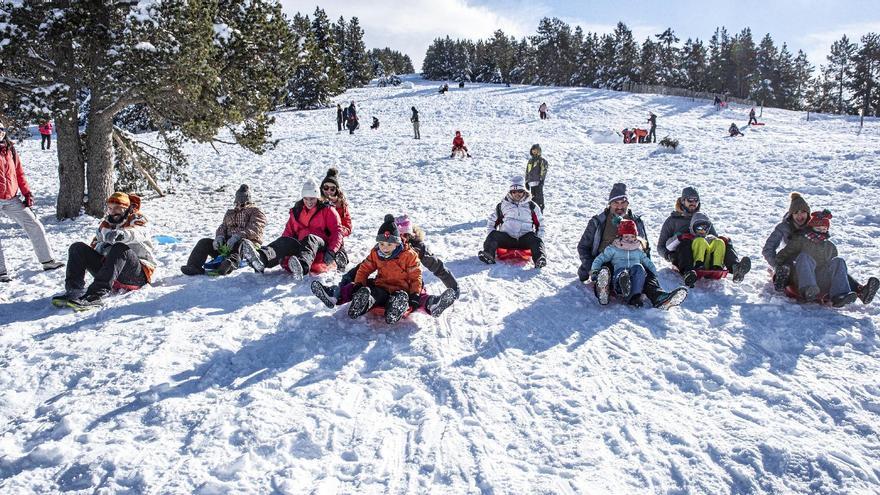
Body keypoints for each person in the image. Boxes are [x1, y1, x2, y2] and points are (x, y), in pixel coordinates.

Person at [312, 214, 458, 317]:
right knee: (362, 286)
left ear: (409, 236)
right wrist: (349, 282)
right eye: (399, 236)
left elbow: (435, 268)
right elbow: (363, 268)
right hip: (384, 284)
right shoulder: (381, 250)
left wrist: (453, 286)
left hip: (408, 287)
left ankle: (432, 304)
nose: (402, 239)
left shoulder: (415, 250)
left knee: (419, 297)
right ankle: (336, 295)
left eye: (405, 236)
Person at [577, 183, 687, 309]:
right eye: (615, 202)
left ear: (627, 203)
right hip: (607, 260)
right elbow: (583, 247)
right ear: (609, 204)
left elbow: (645, 248)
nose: (619, 206)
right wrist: (591, 267)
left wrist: (649, 268)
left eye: (623, 202)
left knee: (645, 272)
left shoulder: (636, 222)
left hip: (633, 259)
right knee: (605, 271)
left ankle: (659, 298)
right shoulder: (597, 222)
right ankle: (603, 291)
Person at [764, 192, 878, 304]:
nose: (800, 216)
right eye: (796, 213)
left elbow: (833, 265)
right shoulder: (787, 230)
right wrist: (777, 268)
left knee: (838, 262)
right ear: (791, 215)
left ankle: (845, 294)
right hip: (794, 266)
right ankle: (800, 286)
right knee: (803, 258)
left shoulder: (825, 240)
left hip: (818, 272)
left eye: (803, 212)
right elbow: (774, 252)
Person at [52, 192, 156, 309]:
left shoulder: (137, 218)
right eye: (110, 208)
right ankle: (74, 291)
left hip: (137, 274)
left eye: (118, 208)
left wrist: (123, 234)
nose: (113, 212)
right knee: (78, 248)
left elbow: (140, 232)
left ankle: (94, 296)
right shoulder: (106, 224)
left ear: (127, 208)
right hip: (111, 272)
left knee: (119, 248)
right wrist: (102, 248)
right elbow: (95, 243)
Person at [240, 178, 346, 280]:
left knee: (311, 238)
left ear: (318, 198)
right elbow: (288, 232)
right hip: (301, 246)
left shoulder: (327, 210)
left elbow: (337, 232)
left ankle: (301, 266)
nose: (309, 202)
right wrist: (281, 250)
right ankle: (262, 259)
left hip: (322, 247)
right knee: (285, 240)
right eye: (306, 199)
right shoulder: (297, 212)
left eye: (312, 199)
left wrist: (332, 251)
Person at [0, 127, 63, 282]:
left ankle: (47, 261)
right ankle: (1, 272)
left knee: (33, 224)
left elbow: (19, 173)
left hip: (11, 198)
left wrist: (27, 192)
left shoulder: (10, 149)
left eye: (1, 129)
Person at [656, 186, 751, 288]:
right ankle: (688, 273)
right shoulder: (672, 221)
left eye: (696, 200)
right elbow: (661, 246)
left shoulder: (702, 218)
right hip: (682, 258)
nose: (693, 203)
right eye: (690, 200)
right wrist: (669, 256)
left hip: (703, 253)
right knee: (685, 242)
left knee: (723, 241)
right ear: (683, 201)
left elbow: (714, 238)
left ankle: (735, 268)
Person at [775, 210, 869, 307]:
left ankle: (840, 295)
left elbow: (833, 269)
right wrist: (782, 269)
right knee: (804, 257)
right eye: (818, 228)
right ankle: (809, 289)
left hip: (820, 279)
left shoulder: (830, 246)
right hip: (801, 277)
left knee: (838, 261)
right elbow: (781, 257)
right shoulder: (800, 241)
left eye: (824, 229)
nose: (821, 231)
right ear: (811, 227)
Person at [347, 214, 423, 324]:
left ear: (397, 244)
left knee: (400, 297)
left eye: (389, 244)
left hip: (401, 289)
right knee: (375, 294)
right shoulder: (376, 253)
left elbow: (416, 277)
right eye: (381, 244)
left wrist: (415, 294)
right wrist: (358, 284)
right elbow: (364, 269)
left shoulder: (409, 255)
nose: (385, 247)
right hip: (382, 286)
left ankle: (395, 309)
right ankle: (363, 303)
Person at [180, 184, 267, 276]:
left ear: (248, 201)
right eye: (237, 202)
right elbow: (223, 226)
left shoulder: (256, 212)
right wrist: (219, 237)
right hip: (226, 245)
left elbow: (255, 228)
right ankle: (193, 266)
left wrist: (237, 236)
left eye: (242, 202)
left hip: (246, 246)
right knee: (204, 242)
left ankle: (229, 264)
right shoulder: (230, 213)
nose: (239, 204)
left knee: (240, 243)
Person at [478, 176, 546, 268]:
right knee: (494, 235)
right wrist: (491, 236)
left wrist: (538, 237)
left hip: (524, 239)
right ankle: (488, 254)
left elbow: (540, 224)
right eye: (513, 192)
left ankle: (539, 258)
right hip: (507, 238)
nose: (516, 194)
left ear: (524, 192)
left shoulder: (532, 206)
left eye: (520, 191)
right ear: (510, 192)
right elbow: (492, 222)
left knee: (536, 240)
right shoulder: (503, 205)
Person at [589, 219, 659, 307]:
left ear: (636, 236)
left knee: (639, 268)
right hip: (617, 278)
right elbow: (600, 259)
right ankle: (619, 285)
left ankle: (634, 297)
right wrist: (595, 271)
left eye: (632, 236)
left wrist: (655, 275)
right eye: (626, 236)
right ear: (620, 236)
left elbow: (648, 263)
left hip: (634, 281)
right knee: (622, 271)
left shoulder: (638, 251)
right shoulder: (613, 249)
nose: (630, 239)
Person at [320, 167, 351, 267]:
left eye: (332, 189)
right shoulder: (315, 202)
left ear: (336, 190)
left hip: (335, 234)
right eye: (326, 188)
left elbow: (348, 225)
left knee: (337, 239)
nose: (328, 191)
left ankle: (340, 256)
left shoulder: (341, 205)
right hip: (319, 234)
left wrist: (340, 231)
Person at [525, 143, 548, 212]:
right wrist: (526, 181)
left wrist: (541, 180)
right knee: (532, 198)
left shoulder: (541, 160)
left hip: (538, 182)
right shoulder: (530, 161)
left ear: (539, 151)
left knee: (539, 198)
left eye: (536, 150)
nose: (534, 151)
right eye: (533, 150)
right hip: (531, 183)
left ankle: (540, 211)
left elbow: (543, 171)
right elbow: (527, 171)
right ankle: (533, 212)